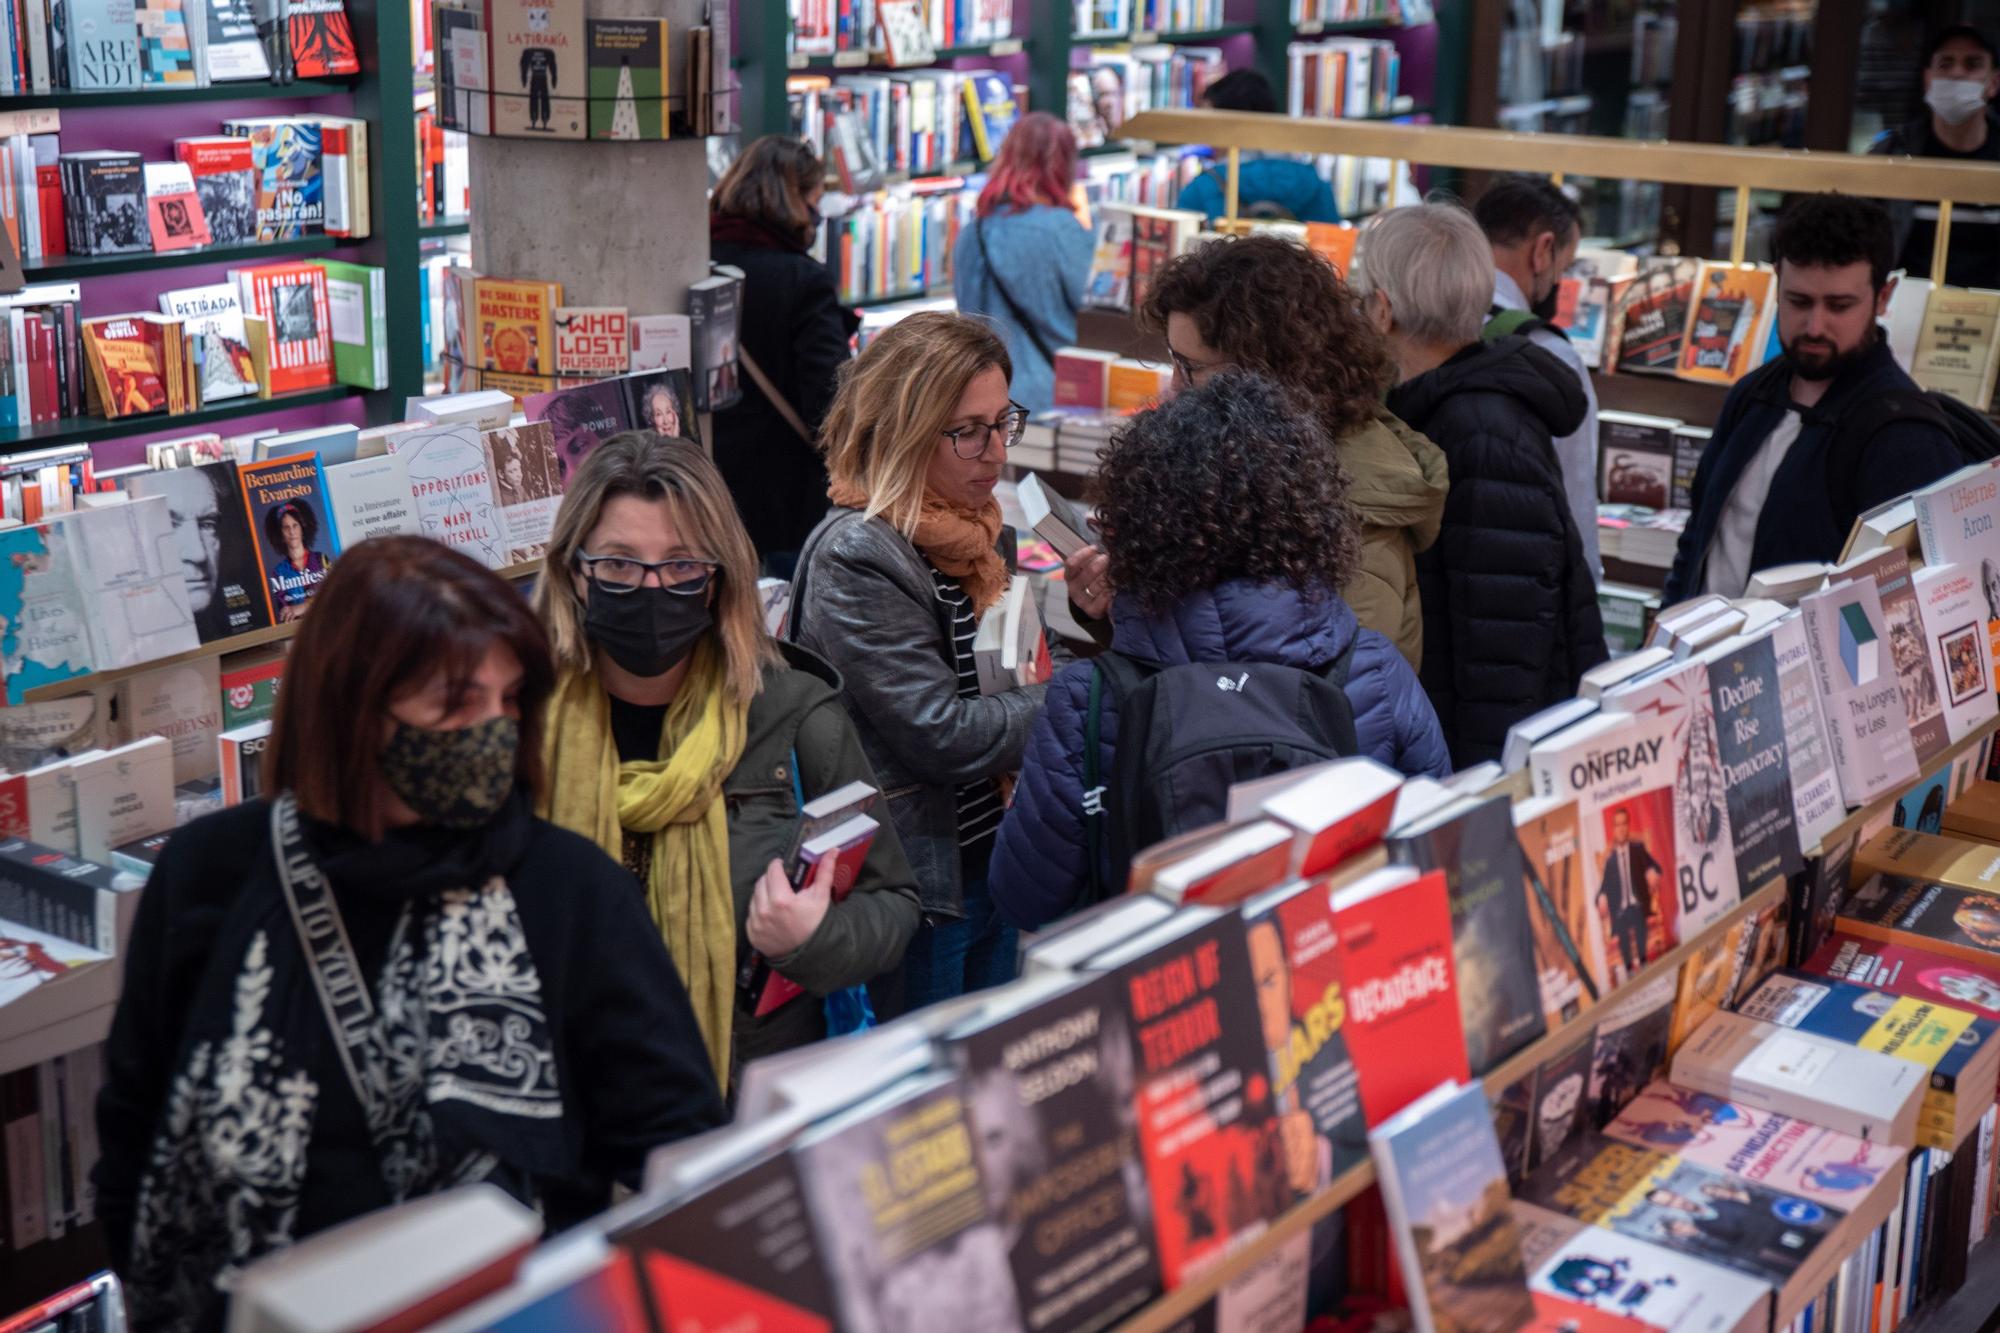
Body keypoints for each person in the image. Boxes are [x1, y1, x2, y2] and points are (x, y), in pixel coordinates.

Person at [94, 537, 725, 1333]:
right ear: (350, 710)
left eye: (507, 699)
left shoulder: (565, 890)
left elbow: (681, 1147)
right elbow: (133, 1134)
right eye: (453, 703)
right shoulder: (212, 871)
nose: (491, 729)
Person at [988, 373, 1451, 931]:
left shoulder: (1087, 700)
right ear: (1310, 514)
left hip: (1163, 994)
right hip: (1330, 983)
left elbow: (1024, 897)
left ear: (1138, 522)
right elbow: (1435, 857)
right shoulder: (1375, 670)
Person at [533, 433, 920, 1086]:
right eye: (621, 565)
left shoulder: (794, 716)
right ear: (575, 571)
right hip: (570, 1104)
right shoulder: (522, 721)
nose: (651, 588)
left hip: (740, 1108)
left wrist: (811, 938)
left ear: (717, 580)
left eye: (681, 564)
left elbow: (896, 903)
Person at [792, 312, 1102, 1015]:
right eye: (968, 431)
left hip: (996, 854)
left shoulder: (978, 534)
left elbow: (1007, 670)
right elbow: (942, 732)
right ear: (903, 430)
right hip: (926, 887)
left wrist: (1091, 618)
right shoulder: (860, 553)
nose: (995, 452)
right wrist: (1078, 691)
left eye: (1003, 423)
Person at [1355, 201, 1606, 767]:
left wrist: (1477, 791)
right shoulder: (1449, 408)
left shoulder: (1482, 430)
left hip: (1484, 764)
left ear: (1383, 309)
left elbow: (1505, 647)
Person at [1142, 235, 1446, 668]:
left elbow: (1331, 709)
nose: (1173, 387)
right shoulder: (1244, 463)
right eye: (1171, 360)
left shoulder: (1359, 520)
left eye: (1189, 368)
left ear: (1266, 372)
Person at [1663, 192, 1965, 604]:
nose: (1815, 326)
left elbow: (1913, 608)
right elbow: (1699, 540)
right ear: (1777, 284)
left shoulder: (1906, 438)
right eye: (1798, 301)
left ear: (1883, 297)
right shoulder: (1753, 395)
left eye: (1839, 306)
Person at [710, 136, 858, 575]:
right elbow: (827, 400)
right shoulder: (802, 279)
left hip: (709, 486)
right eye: (815, 201)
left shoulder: (692, 260)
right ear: (797, 201)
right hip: (784, 497)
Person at [1475, 175, 1602, 581]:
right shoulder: (1551, 356)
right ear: (1544, 251)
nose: (1556, 284)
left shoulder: (1419, 324)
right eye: (1563, 269)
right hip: (1513, 578)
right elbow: (1575, 499)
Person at [951, 112, 1095, 412]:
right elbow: (1092, 304)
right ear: (1064, 164)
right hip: (1053, 391)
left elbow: (968, 317)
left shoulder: (971, 233)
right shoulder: (1062, 228)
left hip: (980, 392)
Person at [1870, 25, 2000, 289]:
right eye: (1945, 63)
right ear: (1928, 79)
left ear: (1993, 82)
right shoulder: (1893, 153)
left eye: (1972, 64)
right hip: (1906, 304)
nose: (1957, 73)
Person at [1174, 70, 1340, 225]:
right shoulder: (1315, 185)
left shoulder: (1201, 189)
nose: (1205, 134)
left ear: (1227, 127)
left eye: (1209, 123)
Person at [1596, 805, 1659, 978]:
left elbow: (1654, 866)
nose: (1621, 828)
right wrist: (1601, 897)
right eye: (1617, 825)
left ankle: (1644, 962)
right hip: (1621, 911)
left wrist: (1651, 871)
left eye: (1624, 824)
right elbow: (1603, 887)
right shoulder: (1610, 861)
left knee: (1639, 921)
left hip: (1638, 904)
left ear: (1628, 825)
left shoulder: (1638, 849)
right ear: (1614, 829)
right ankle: (1631, 969)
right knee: (1622, 926)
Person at [264, 499, 333, 623]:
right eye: (286, 527)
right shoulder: (278, 573)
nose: (292, 532)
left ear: (302, 529)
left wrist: (304, 607)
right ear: (281, 535)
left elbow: (334, 595)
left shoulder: (321, 559)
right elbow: (284, 612)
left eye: (295, 525)